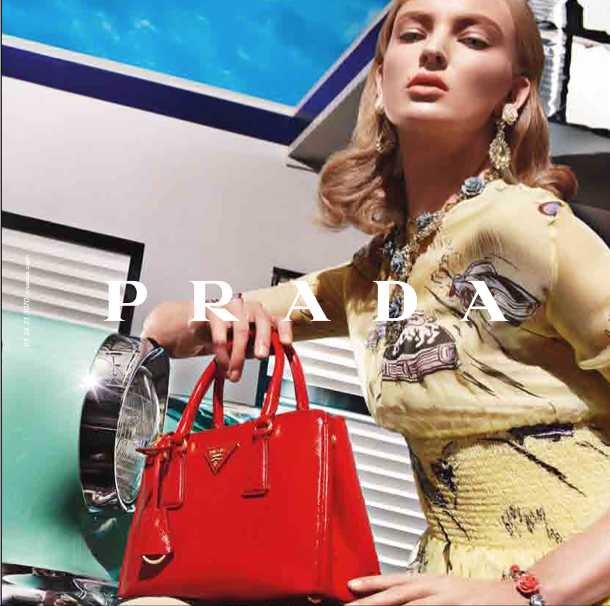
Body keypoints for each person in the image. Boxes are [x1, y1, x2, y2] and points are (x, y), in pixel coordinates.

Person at [141, 0, 610, 604]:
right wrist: (221, 317)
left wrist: (525, 594)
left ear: (513, 95)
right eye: (413, 33)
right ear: (382, 80)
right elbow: (174, 326)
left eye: (473, 39)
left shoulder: (530, 229)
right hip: (448, 579)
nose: (434, 50)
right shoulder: (380, 270)